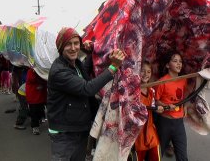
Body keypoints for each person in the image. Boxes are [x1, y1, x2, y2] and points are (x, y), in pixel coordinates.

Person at [47, 27, 125, 161]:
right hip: (64, 133)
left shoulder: (76, 64)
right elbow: (87, 88)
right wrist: (113, 67)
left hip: (79, 128)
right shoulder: (59, 71)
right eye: (68, 44)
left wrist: (91, 52)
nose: (73, 48)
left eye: (76, 43)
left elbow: (87, 73)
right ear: (60, 47)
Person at [155, 51, 188, 161]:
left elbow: (186, 96)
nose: (179, 64)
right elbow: (156, 101)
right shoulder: (162, 82)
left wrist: (186, 106)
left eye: (180, 61)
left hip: (179, 124)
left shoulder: (184, 80)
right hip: (165, 123)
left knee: (182, 156)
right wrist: (166, 106)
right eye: (175, 61)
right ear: (168, 65)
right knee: (158, 154)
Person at [134, 61, 164, 161]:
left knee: (155, 157)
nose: (146, 74)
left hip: (150, 131)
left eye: (148, 72)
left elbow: (153, 107)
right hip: (137, 133)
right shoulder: (132, 90)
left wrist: (159, 109)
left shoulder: (152, 91)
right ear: (137, 72)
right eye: (142, 71)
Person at [25, 68, 47, 135]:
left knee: (40, 109)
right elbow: (32, 79)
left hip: (41, 95)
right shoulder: (31, 70)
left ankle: (39, 119)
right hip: (33, 95)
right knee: (34, 111)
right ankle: (35, 127)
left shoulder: (42, 69)